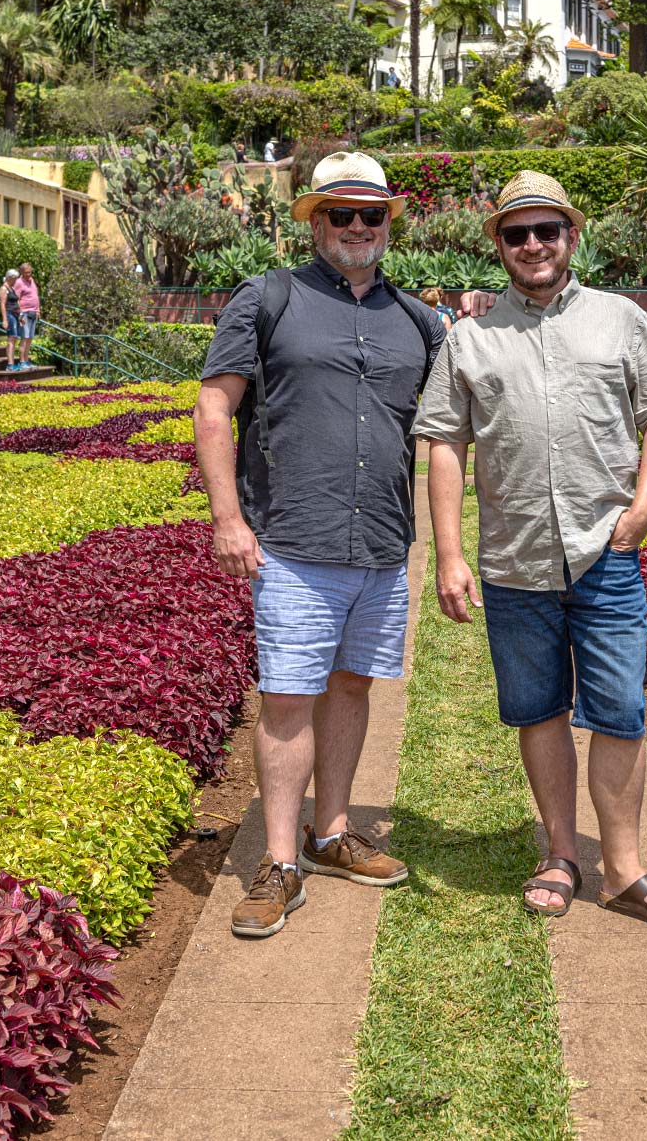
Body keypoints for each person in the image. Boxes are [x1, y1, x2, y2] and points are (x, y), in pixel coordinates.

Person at [414, 171, 647, 931]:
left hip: (605, 553)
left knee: (621, 712)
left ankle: (625, 867)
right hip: (514, 560)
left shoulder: (621, 318)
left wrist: (643, 507)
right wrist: (449, 553)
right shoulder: (471, 334)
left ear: (572, 237)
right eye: (517, 233)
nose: (534, 245)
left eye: (547, 230)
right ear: (499, 246)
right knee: (538, 710)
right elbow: (444, 442)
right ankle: (560, 853)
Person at [193, 151, 444, 939]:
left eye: (373, 214)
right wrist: (228, 518)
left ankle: (330, 833)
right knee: (289, 698)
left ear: (388, 223)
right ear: (314, 220)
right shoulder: (268, 298)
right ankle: (279, 861)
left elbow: (444, 430)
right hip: (294, 543)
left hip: (378, 544)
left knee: (352, 688)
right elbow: (212, 407)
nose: (359, 228)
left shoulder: (419, 320)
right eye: (343, 214)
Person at [11, 263, 40, 370]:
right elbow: (15, 299)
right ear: (22, 272)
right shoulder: (19, 282)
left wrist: (38, 310)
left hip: (33, 313)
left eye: (30, 272)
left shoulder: (32, 280)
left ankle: (27, 361)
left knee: (30, 338)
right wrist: (21, 314)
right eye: (26, 272)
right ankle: (22, 362)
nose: (29, 274)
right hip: (25, 313)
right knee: (24, 338)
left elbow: (35, 295)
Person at [0, 269, 21, 370]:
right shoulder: (4, 288)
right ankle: (10, 364)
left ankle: (12, 363)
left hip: (15, 314)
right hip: (9, 314)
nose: (16, 280)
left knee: (14, 338)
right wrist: (5, 319)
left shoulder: (12, 288)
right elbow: (2, 304)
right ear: (10, 278)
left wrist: (20, 316)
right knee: (11, 338)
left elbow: (16, 303)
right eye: (15, 278)